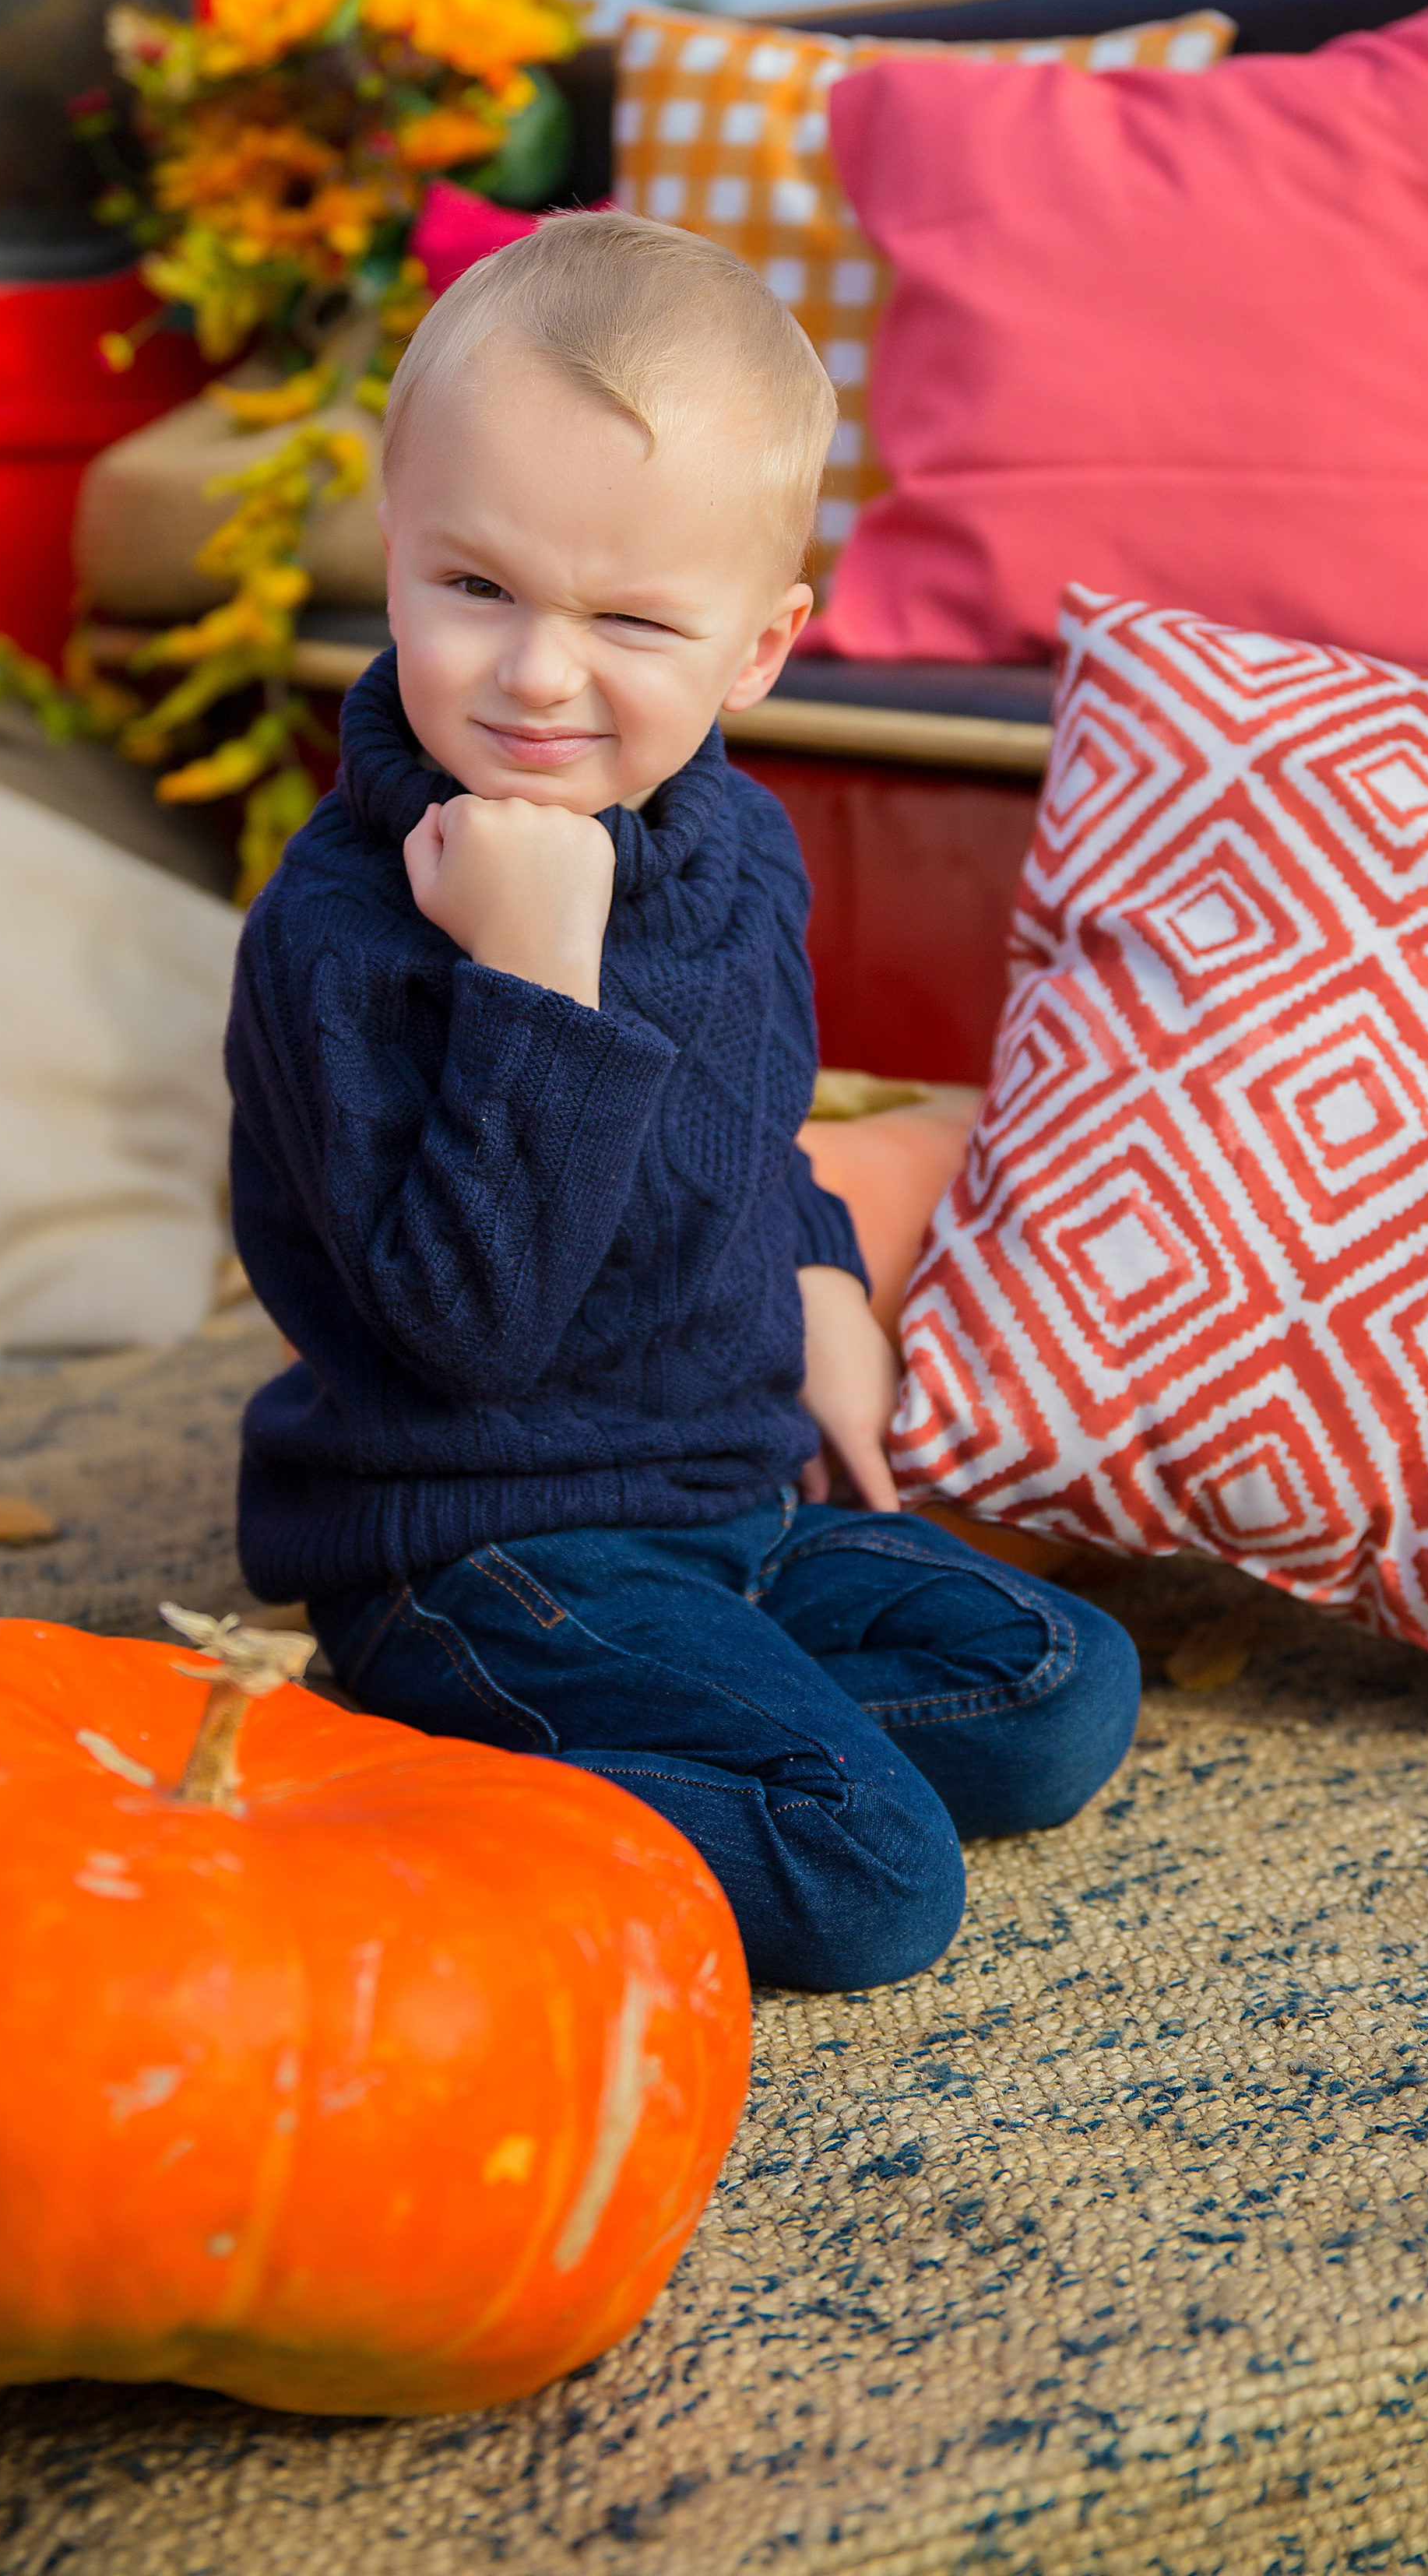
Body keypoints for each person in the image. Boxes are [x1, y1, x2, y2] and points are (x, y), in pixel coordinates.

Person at [227, 212, 1138, 1990]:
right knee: (868, 1875)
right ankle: (376, 1780)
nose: (536, 673)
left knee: (1058, 1693)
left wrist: (819, 1275)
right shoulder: (337, 935)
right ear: (394, 551)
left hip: (727, 1492)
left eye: (632, 619)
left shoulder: (736, 851)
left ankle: (693, 1725)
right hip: (480, 1535)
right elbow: (463, 1335)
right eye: (473, 587)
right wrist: (531, 984)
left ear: (758, 648)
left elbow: (748, 1121)